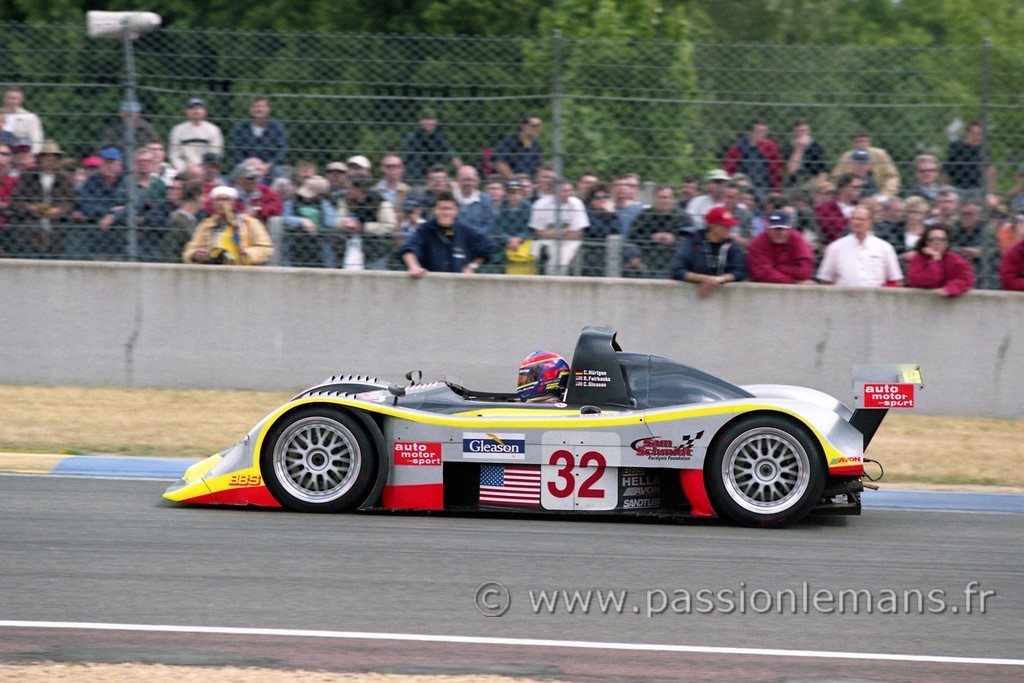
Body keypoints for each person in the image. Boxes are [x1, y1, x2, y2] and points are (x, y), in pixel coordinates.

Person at [400, 191, 497, 277]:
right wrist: (414, 267)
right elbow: (408, 249)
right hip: (432, 285)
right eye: (442, 209)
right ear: (435, 210)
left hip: (458, 286)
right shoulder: (425, 229)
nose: (445, 212)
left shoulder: (465, 230)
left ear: (456, 211)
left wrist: (472, 266)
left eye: (449, 209)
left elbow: (489, 247)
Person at [9, 139, 75, 258]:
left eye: (55, 156)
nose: (51, 159)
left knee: (65, 232)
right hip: (31, 220)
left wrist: (59, 211)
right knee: (26, 231)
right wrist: (30, 208)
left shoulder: (65, 179)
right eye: (47, 156)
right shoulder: (28, 176)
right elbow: (15, 200)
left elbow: (70, 202)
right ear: (40, 158)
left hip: (57, 221)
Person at [182, 185, 274, 265]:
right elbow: (189, 250)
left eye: (226, 199)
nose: (222, 203)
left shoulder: (249, 223)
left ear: (234, 203)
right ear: (213, 203)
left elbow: (265, 248)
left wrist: (247, 253)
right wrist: (194, 255)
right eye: (218, 199)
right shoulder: (206, 225)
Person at [669, 206, 747, 298]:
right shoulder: (693, 241)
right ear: (712, 226)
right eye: (725, 226)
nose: (729, 229)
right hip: (689, 295)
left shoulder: (731, 244)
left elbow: (740, 272)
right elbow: (677, 270)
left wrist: (719, 279)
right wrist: (705, 279)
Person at [816, 206, 902, 287]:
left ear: (870, 222)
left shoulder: (885, 248)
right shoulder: (835, 248)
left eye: (862, 219)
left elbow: (894, 279)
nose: (857, 222)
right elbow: (826, 280)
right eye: (854, 219)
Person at [627, 184, 693, 278]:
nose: (665, 201)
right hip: (648, 258)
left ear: (673, 199)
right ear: (654, 199)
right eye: (661, 197)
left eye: (668, 198)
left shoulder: (683, 217)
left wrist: (674, 239)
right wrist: (651, 237)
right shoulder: (644, 215)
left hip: (674, 258)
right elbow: (632, 236)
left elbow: (691, 238)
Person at [746, 210, 816, 284]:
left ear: (789, 229)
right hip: (765, 288)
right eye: (775, 229)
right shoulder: (758, 242)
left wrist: (777, 268)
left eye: (782, 229)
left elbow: (805, 271)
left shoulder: (797, 239)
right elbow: (763, 274)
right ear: (768, 229)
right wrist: (794, 282)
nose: (779, 233)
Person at [905, 225, 975, 297]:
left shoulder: (954, 259)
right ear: (926, 242)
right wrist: (935, 260)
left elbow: (967, 279)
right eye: (932, 239)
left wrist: (949, 289)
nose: (937, 243)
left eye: (941, 239)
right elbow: (918, 281)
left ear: (947, 243)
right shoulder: (918, 258)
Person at [282, 175, 336, 268]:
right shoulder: (293, 201)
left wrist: (315, 224)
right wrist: (301, 221)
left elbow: (329, 223)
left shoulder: (324, 204)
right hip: (295, 244)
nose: (305, 197)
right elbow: (285, 218)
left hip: (318, 246)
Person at [723, 119, 782, 198]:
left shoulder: (770, 147)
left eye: (764, 131)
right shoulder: (737, 149)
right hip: (742, 185)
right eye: (759, 131)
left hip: (763, 185)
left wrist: (776, 190)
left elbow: (776, 170)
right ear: (750, 133)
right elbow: (729, 170)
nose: (763, 134)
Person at [402, 108, 462, 184]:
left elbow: (452, 155)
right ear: (420, 121)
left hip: (433, 177)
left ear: (436, 121)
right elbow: (404, 160)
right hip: (414, 176)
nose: (429, 122)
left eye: (431, 119)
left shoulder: (439, 139)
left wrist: (462, 171)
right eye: (426, 119)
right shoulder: (411, 138)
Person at [229, 96, 288, 173]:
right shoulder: (242, 127)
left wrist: (268, 165)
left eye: (262, 106)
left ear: (268, 109)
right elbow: (235, 149)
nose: (259, 109)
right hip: (246, 165)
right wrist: (246, 162)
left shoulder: (277, 127)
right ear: (250, 110)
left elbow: (282, 150)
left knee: (279, 174)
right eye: (255, 107)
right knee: (232, 178)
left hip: (270, 167)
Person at [832, 131, 900, 196]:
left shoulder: (880, 154)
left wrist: (885, 195)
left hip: (878, 192)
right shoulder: (846, 157)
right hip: (851, 194)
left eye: (865, 141)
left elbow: (892, 176)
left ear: (870, 143)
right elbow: (836, 178)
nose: (862, 144)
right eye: (858, 142)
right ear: (852, 144)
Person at [168, 97, 224, 172]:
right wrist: (184, 169)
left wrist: (202, 169)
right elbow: (174, 155)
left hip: (206, 170)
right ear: (187, 111)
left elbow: (215, 153)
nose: (196, 111)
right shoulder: (177, 130)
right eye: (192, 108)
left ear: (205, 112)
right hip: (185, 170)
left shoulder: (214, 130)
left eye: (199, 108)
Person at [944, 121, 994, 198]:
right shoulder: (955, 146)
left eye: (980, 134)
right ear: (967, 133)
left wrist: (990, 191)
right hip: (956, 187)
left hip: (976, 188)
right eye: (975, 134)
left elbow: (990, 169)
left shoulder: (982, 148)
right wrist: (944, 188)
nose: (978, 137)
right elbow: (946, 171)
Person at [493, 114, 543, 179]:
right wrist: (514, 180)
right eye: (534, 126)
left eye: (539, 126)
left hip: (530, 183)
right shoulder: (510, 142)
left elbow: (539, 167)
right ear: (524, 127)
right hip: (512, 182)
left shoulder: (536, 145)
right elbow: (499, 163)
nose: (538, 129)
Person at [781, 118, 828, 188]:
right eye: (798, 131)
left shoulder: (815, 145)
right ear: (794, 132)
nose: (801, 134)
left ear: (809, 131)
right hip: (795, 181)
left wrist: (819, 184)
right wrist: (799, 148)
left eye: (804, 131)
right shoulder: (790, 145)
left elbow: (824, 169)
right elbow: (792, 170)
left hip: (813, 178)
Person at [2, 87, 45, 153]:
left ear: (21, 100)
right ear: (4, 99)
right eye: (10, 98)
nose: (13, 101)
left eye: (16, 99)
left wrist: (33, 156)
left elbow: (36, 139)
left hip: (22, 155)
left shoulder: (30, 117)